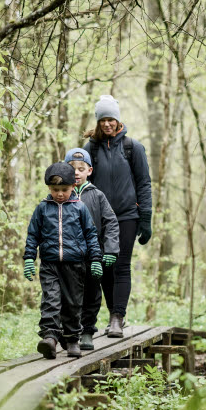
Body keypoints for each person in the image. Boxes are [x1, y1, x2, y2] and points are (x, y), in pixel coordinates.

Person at [83, 95, 152, 338]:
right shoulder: (90, 149)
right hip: (98, 219)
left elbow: (144, 183)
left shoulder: (133, 147)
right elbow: (81, 182)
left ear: (118, 120)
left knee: (121, 265)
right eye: (103, 120)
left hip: (126, 217)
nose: (107, 124)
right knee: (102, 266)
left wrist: (146, 217)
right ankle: (114, 313)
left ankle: (117, 318)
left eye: (111, 119)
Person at [23, 163, 103, 359]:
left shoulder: (80, 208)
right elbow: (33, 235)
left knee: (73, 303)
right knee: (50, 300)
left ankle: (72, 338)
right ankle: (50, 337)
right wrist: (29, 258)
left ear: (73, 187)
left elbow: (91, 235)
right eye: (55, 190)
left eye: (64, 190)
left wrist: (95, 259)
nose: (60, 194)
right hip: (50, 264)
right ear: (49, 188)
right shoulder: (42, 209)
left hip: (75, 264)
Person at [63, 148, 119, 350]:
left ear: (90, 171)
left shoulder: (97, 195)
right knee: (69, 296)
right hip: (67, 257)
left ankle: (87, 331)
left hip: (93, 256)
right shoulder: (60, 194)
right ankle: (70, 332)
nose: (76, 172)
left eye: (81, 168)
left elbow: (111, 223)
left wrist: (111, 249)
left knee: (92, 294)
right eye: (72, 168)